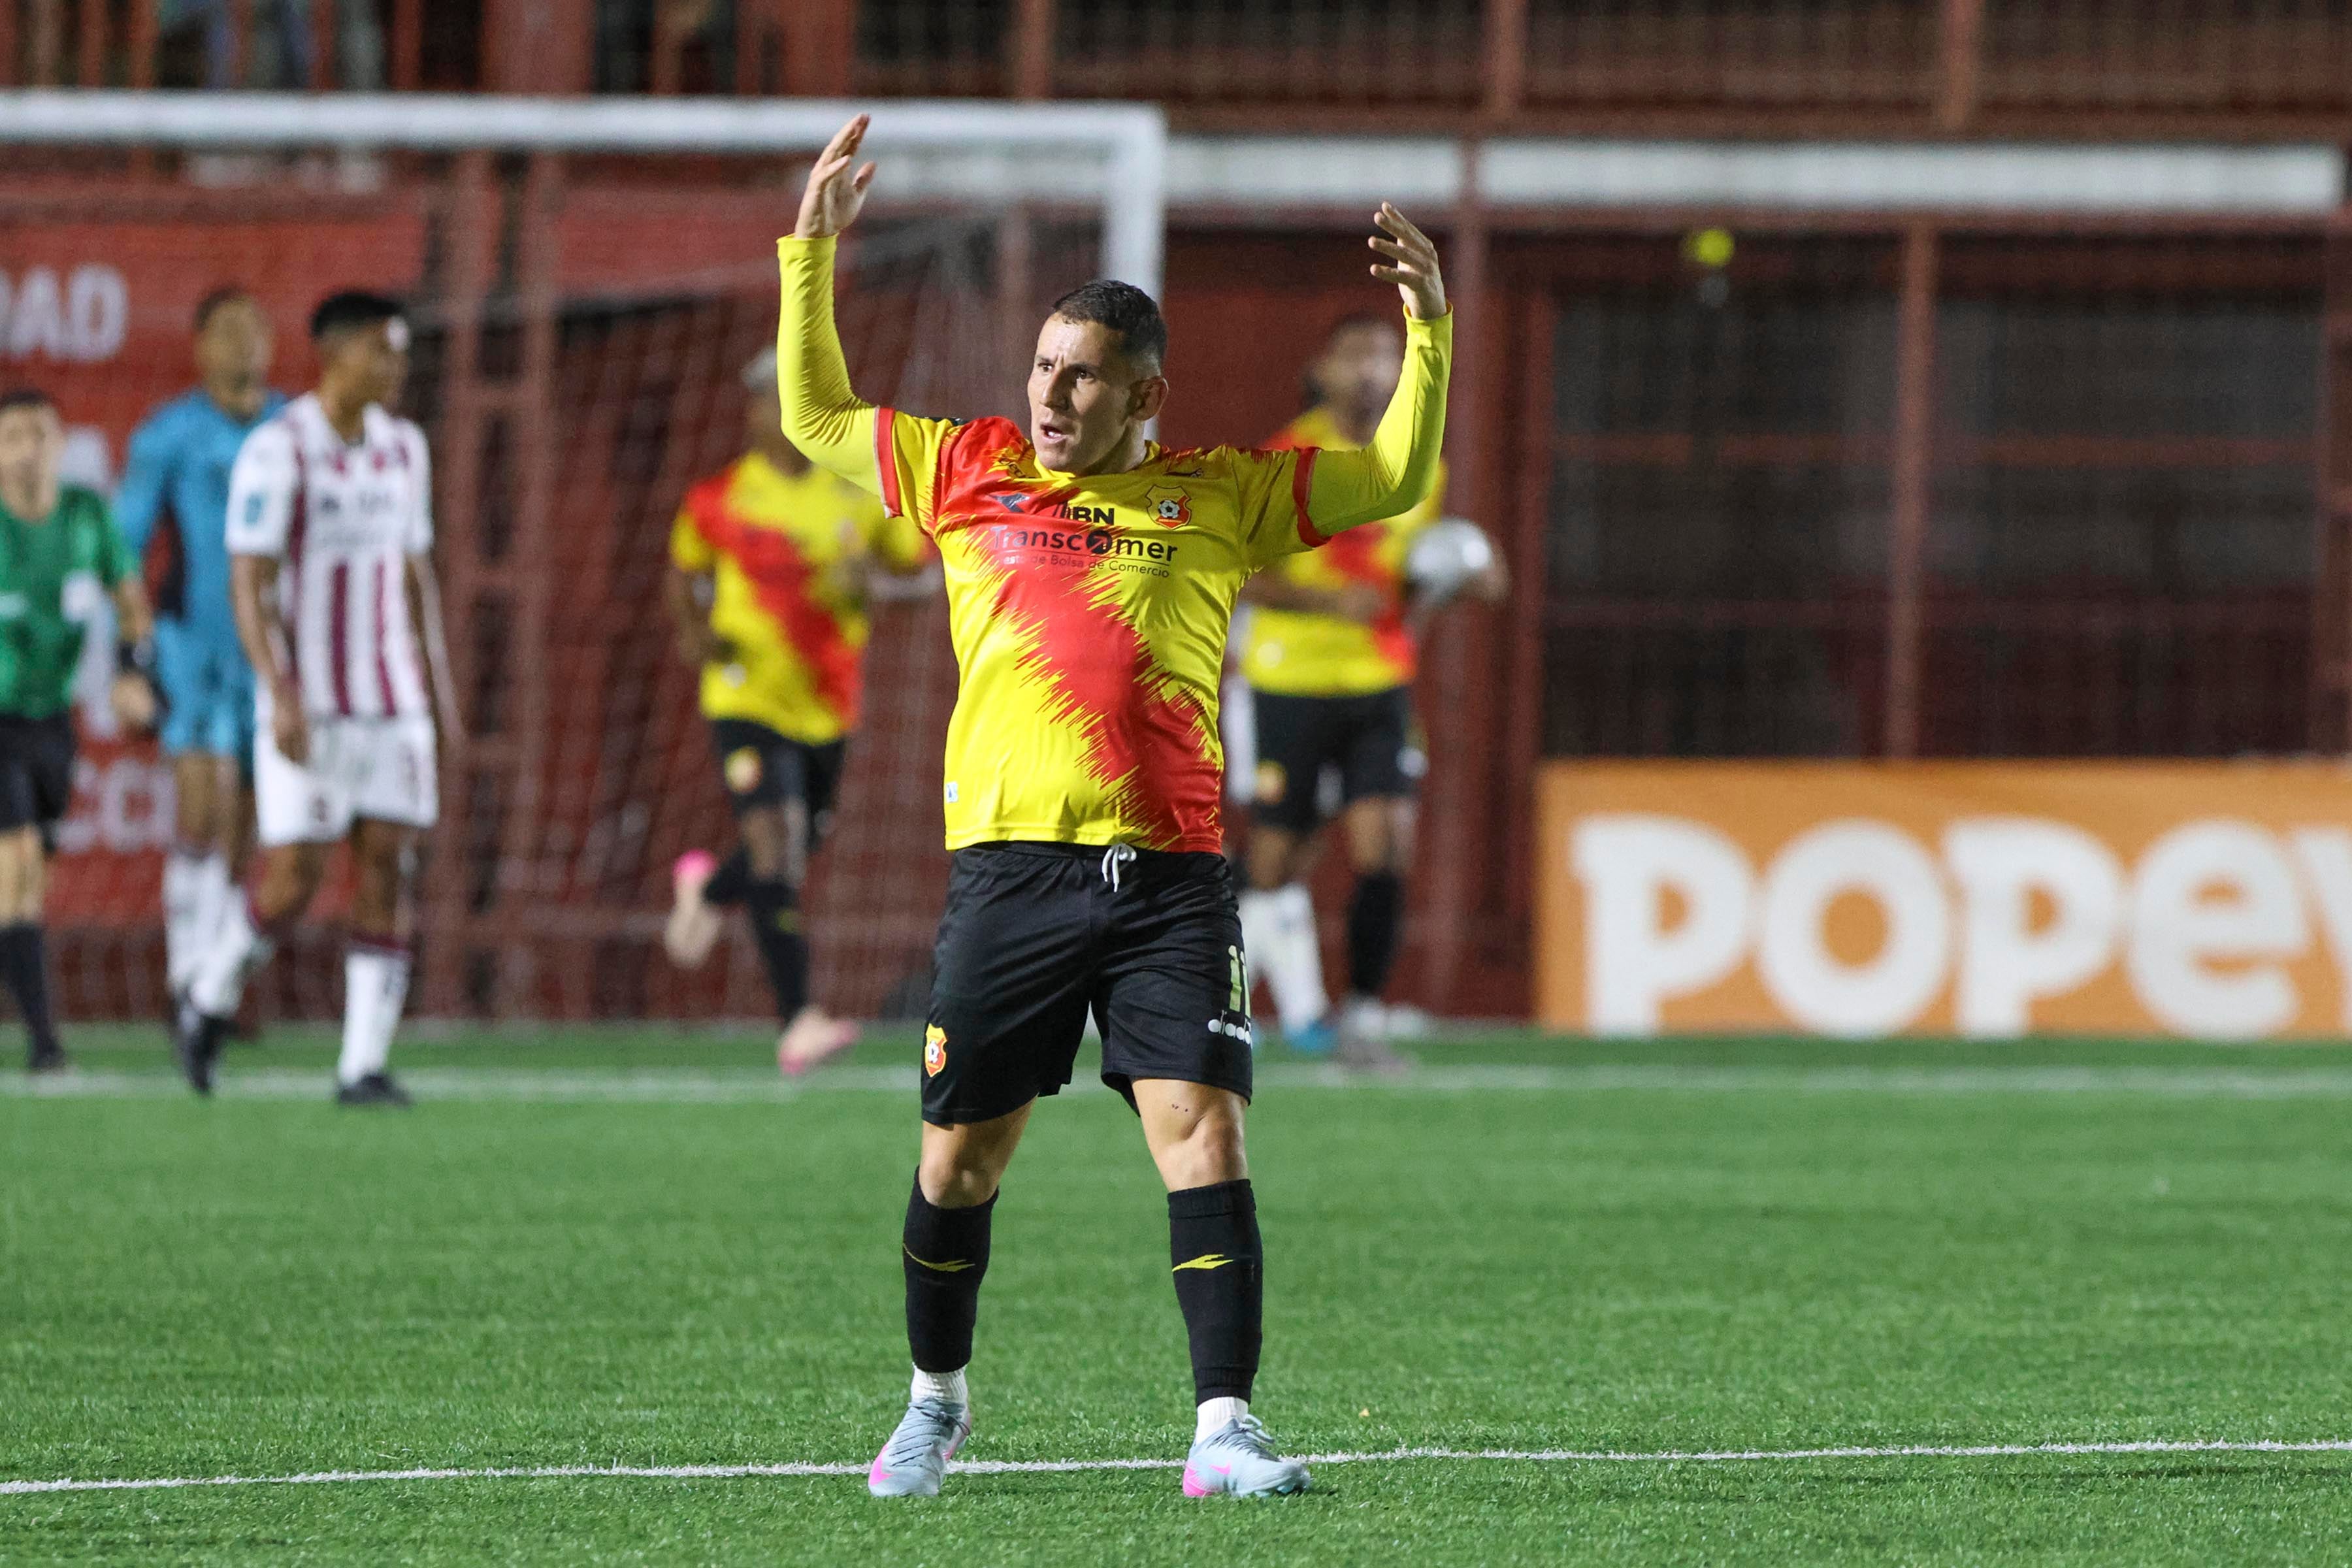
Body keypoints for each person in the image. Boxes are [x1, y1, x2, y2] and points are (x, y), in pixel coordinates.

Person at [777, 115, 1450, 1499]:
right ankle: (935, 1403)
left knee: (1205, 1131)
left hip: (1170, 878)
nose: (1052, 397)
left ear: (1148, 396)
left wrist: (1430, 332)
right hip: (1011, 874)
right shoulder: (969, 470)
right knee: (959, 1165)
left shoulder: (1221, 497)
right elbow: (817, 417)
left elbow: (1396, 478)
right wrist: (815, 254)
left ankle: (1222, 1431)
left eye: (1085, 379)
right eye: (1043, 368)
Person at [172, 293, 457, 1105]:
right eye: (383, 352)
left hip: (392, 698)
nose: (397, 369)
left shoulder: (406, 449)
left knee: (387, 865)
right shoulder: (279, 449)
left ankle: (360, 1066)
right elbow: (248, 581)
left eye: (400, 354)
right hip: (311, 700)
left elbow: (413, 570)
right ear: (337, 355)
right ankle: (209, 992)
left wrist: (436, 684)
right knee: (295, 876)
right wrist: (281, 692)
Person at [1235, 318, 1506, 1068]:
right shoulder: (1280, 461)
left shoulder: (1420, 467)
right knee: (1274, 860)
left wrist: (1458, 578)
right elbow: (1237, 574)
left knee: (1387, 844)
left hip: (1380, 683)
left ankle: (1361, 1020)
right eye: (1355, 354)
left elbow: (1407, 581)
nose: (1372, 369)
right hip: (1291, 680)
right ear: (1322, 370)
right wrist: (1326, 606)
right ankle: (1203, 999)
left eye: (1385, 355)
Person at [662, 347, 930, 1075]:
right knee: (778, 842)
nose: (771, 417)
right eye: (759, 401)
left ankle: (710, 889)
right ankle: (799, 1017)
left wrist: (869, 579)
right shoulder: (719, 500)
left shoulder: (856, 493)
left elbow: (919, 577)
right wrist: (697, 638)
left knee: (791, 846)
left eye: (784, 401)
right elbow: (684, 574)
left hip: (828, 707)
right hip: (746, 697)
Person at [114, 286, 286, 1017]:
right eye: (228, 331)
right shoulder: (169, 436)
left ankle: (214, 984)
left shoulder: (293, 431)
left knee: (248, 823)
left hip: (272, 654)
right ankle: (188, 976)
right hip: (194, 646)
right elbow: (122, 551)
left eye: (256, 328)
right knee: (202, 805)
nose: (244, 343)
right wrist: (132, 661)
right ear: (201, 347)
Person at [0, 387, 157, 1073]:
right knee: (19, 866)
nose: (26, 450)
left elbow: (132, 605)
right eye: (10, 438)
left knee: (32, 877)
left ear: (63, 445)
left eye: (39, 435)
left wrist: (131, 674)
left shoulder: (88, 515)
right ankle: (44, 1041)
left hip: (51, 724)